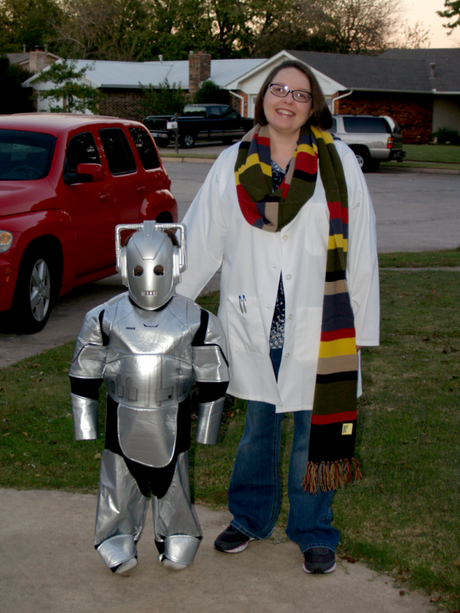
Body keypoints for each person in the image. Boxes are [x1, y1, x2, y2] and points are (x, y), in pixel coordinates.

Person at [178, 59, 379, 575]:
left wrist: (361, 325)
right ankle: (249, 517)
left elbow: (360, 248)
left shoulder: (340, 163)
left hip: (321, 321)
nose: (286, 100)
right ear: (262, 96)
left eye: (300, 94)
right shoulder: (232, 162)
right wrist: (170, 302)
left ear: (315, 107)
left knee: (315, 430)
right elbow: (202, 236)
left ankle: (314, 530)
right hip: (254, 315)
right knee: (258, 429)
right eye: (278, 89)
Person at [69, 221, 229, 575]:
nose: (149, 279)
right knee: (118, 480)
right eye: (140, 269)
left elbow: (214, 378)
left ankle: (178, 532)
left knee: (175, 480)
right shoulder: (103, 316)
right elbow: (84, 373)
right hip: (121, 415)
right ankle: (116, 536)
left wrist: (207, 429)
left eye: (158, 269)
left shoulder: (197, 320)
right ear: (125, 267)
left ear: (174, 264)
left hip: (173, 415)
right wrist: (85, 424)